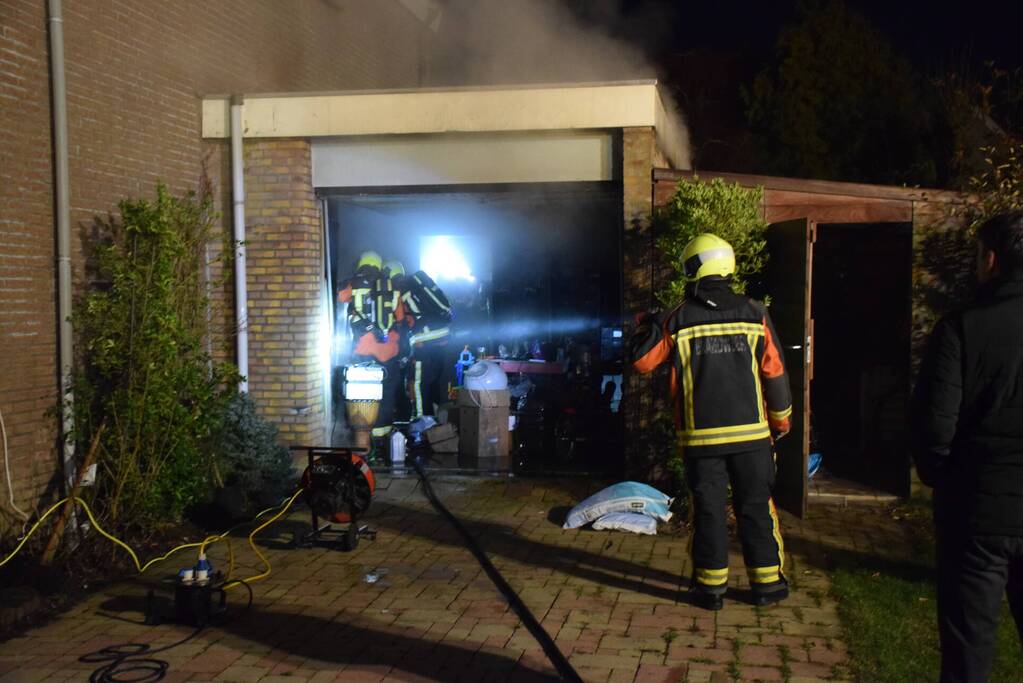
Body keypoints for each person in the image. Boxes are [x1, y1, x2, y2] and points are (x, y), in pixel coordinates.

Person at [629, 233, 793, 611]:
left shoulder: (678, 317)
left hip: (702, 442)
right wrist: (780, 422)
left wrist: (649, 323)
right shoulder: (756, 313)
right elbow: (775, 373)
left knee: (709, 509)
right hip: (753, 438)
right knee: (755, 506)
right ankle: (767, 586)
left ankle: (710, 590)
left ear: (695, 268)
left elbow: (642, 361)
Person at [912, 210, 1023, 682]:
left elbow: (934, 427)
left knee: (968, 651)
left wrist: (947, 480)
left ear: (992, 260)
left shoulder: (961, 329)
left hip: (977, 513)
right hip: (984, 503)